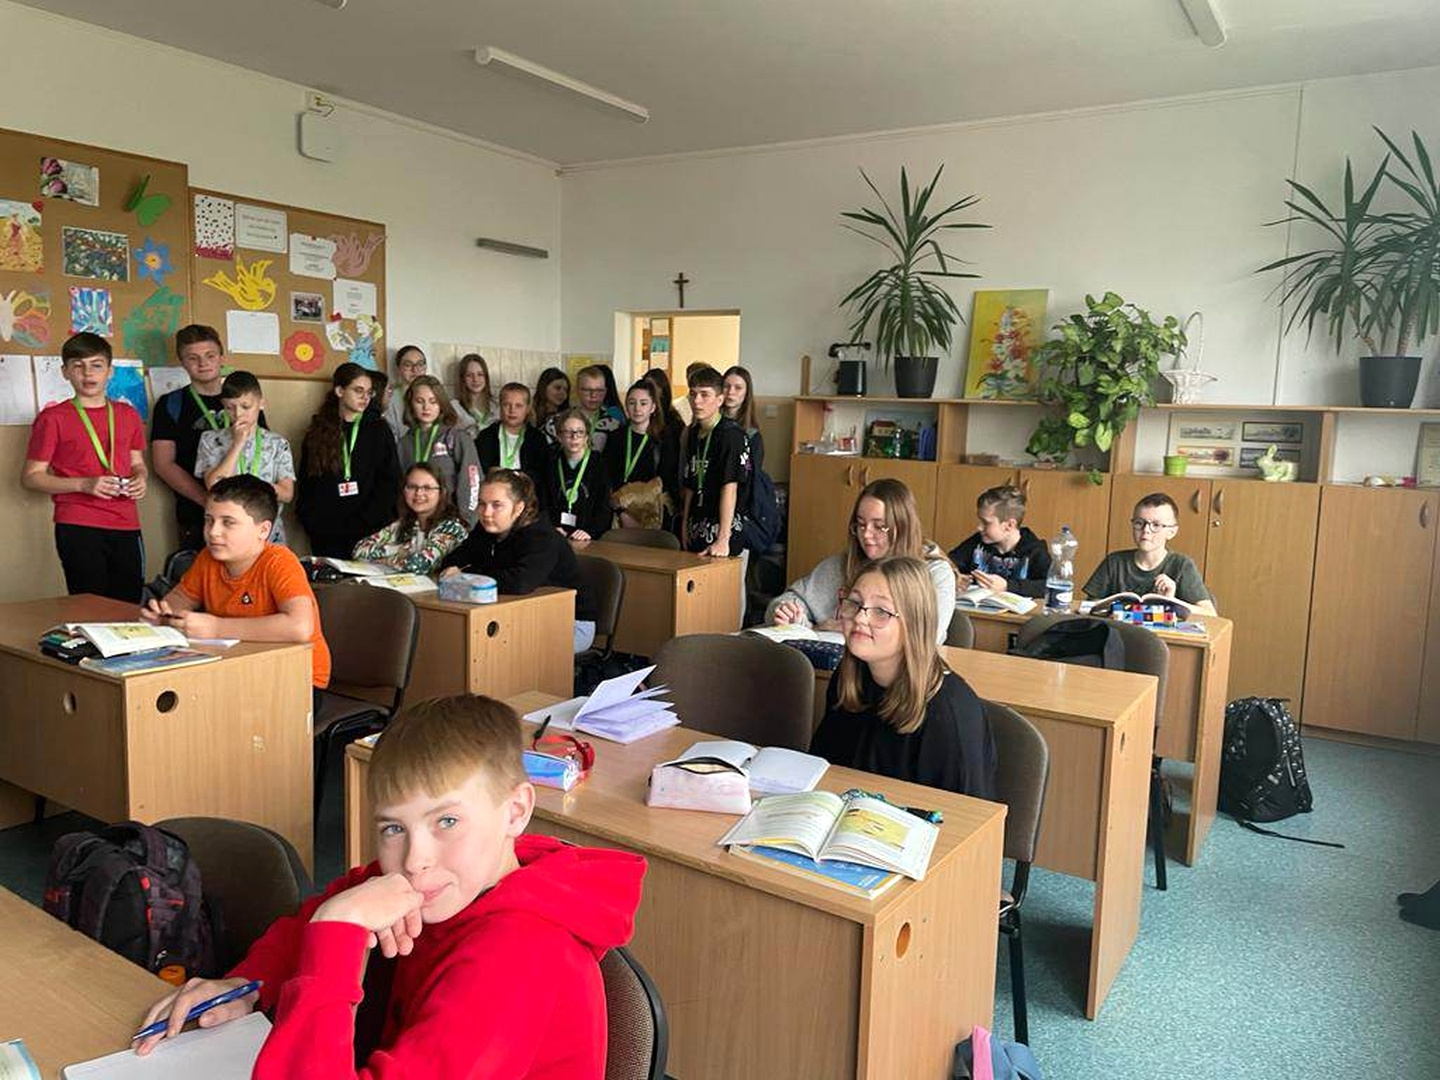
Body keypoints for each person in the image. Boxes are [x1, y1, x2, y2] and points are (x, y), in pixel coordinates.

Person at [134, 694, 645, 1078]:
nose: (415, 860)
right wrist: (248, 985)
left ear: (515, 811)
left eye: (447, 821)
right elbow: (310, 922)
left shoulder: (521, 956)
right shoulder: (444, 878)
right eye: (394, 828)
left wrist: (334, 937)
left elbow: (329, 922)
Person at [811, 556, 998, 800]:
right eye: (854, 603)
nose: (859, 618)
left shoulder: (948, 713)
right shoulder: (849, 678)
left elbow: (962, 816)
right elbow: (823, 772)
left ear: (913, 623)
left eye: (881, 611)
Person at [141, 475, 330, 690]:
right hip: (239, 668)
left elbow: (299, 627)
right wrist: (164, 614)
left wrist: (217, 628)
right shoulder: (207, 558)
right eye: (209, 520)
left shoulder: (279, 561)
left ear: (263, 530)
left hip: (297, 678)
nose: (213, 532)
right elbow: (181, 598)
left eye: (228, 522)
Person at [21, 332, 147, 602]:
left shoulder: (128, 414)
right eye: (78, 366)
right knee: (89, 606)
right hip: (78, 523)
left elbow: (138, 463)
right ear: (65, 372)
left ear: (110, 371)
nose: (88, 373)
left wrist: (140, 478)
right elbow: (31, 477)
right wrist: (84, 484)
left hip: (126, 522)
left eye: (96, 365)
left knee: (129, 605)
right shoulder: (53, 418)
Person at [766, 478, 957, 644]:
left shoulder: (935, 573)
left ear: (903, 527)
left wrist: (844, 626)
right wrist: (786, 612)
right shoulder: (842, 563)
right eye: (861, 524)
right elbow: (789, 600)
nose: (866, 534)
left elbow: (926, 637)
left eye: (879, 526)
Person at [441, 469, 598, 653]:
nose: (486, 513)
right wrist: (456, 570)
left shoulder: (541, 536)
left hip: (571, 622)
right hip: (519, 614)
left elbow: (520, 582)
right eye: (482, 504)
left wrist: (467, 576)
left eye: (497, 505)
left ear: (519, 508)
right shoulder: (486, 529)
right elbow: (454, 560)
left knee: (500, 652)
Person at [152, 324, 264, 551]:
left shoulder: (245, 400)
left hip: (247, 512)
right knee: (202, 572)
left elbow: (262, 450)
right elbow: (163, 464)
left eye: (210, 355)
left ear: (221, 357)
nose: (203, 363)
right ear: (182, 362)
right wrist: (209, 502)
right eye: (193, 358)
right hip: (198, 513)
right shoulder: (171, 404)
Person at [297, 363, 402, 558]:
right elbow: (308, 483)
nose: (365, 397)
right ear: (340, 391)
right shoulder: (319, 430)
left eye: (369, 392)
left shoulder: (379, 429)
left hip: (369, 532)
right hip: (327, 534)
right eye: (358, 390)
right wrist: (313, 523)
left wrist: (367, 521)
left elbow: (390, 481)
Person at [194, 370, 296, 546]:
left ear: (261, 403)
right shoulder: (210, 440)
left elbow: (287, 494)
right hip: (227, 535)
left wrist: (251, 486)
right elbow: (213, 484)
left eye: (246, 406)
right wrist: (237, 444)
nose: (238, 414)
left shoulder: (278, 443)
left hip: (269, 535)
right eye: (230, 407)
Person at [1083, 492, 1217, 613]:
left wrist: (1171, 602)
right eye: (1139, 523)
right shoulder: (1114, 561)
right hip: (1120, 630)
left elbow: (1209, 613)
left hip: (1163, 632)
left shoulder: (1182, 565)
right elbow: (1090, 606)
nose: (1146, 530)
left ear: (1171, 532)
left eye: (1156, 525)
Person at [679, 366, 751, 559]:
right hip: (696, 525)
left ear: (720, 399)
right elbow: (690, 484)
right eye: (693, 394)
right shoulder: (694, 433)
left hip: (722, 529)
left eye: (704, 395)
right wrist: (684, 525)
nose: (697, 401)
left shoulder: (731, 435)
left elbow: (730, 487)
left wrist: (723, 539)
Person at [352, 463, 469, 575]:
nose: (418, 493)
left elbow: (418, 565)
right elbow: (358, 551)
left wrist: (383, 560)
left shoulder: (451, 528)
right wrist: (398, 550)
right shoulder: (404, 524)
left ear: (442, 492)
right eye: (412, 487)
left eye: (427, 488)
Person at [396, 375, 481, 528]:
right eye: (419, 401)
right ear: (410, 404)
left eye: (433, 401)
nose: (426, 407)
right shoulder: (404, 443)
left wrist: (466, 521)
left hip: (451, 522)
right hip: (413, 524)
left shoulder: (457, 438)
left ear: (441, 404)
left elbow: (472, 482)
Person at [948, 484, 1050, 598]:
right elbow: (948, 563)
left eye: (986, 522)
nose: (979, 527)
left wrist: (1007, 586)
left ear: (1009, 525)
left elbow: (1048, 586)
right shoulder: (977, 542)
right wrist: (955, 576)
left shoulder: (1035, 550)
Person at [603, 379, 667, 529]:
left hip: (651, 513)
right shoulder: (615, 437)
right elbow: (606, 477)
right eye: (632, 403)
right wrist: (622, 512)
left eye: (643, 403)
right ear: (626, 406)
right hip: (618, 511)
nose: (637, 408)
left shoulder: (663, 439)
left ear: (653, 407)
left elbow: (665, 480)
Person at [540, 409, 611, 543]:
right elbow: (544, 502)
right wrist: (551, 527)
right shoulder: (551, 462)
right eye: (568, 432)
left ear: (587, 436)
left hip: (588, 536)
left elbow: (604, 506)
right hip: (557, 533)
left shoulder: (599, 464)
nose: (574, 437)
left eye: (580, 432)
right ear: (559, 436)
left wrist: (590, 531)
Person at [476, 382, 548, 477]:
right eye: (506, 405)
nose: (512, 410)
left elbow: (541, 474)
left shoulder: (537, 438)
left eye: (518, 406)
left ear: (527, 409)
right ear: (500, 406)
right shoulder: (486, 436)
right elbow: (481, 470)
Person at [570, 365, 624, 452]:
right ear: (577, 390)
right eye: (587, 390)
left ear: (605, 391)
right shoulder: (560, 421)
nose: (593, 395)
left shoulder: (614, 424)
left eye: (599, 390)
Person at [722, 365, 765, 472]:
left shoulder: (752, 434)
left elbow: (752, 471)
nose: (730, 392)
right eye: (726, 386)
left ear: (746, 393)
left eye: (738, 388)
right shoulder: (712, 423)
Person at [383, 345, 428, 438]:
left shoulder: (435, 394)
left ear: (425, 367)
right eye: (408, 365)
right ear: (398, 368)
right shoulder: (390, 398)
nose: (415, 370)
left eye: (420, 364)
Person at [452, 353, 497, 432]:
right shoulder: (454, 407)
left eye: (480, 374)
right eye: (469, 375)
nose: (475, 379)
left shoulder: (497, 406)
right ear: (463, 379)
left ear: (486, 377)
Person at [533, 367, 570, 442]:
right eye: (557, 388)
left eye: (566, 390)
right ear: (544, 388)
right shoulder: (531, 413)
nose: (562, 393)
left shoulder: (568, 416)